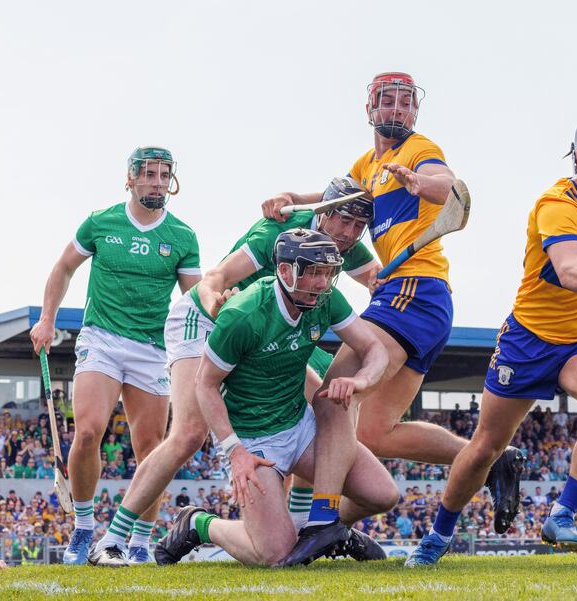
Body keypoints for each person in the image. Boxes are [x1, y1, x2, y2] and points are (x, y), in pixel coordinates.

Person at [261, 72, 523, 555]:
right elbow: (336, 199)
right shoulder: (367, 162)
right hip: (417, 298)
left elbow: (448, 187)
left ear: (415, 112)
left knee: (331, 398)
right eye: (388, 102)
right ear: (370, 109)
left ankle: (322, 521)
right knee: (373, 432)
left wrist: (420, 183)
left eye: (405, 103)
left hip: (413, 291)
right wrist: (292, 200)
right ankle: (493, 459)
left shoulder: (419, 149)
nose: (397, 110)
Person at [404, 118, 577, 566]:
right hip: (529, 339)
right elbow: (569, 270)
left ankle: (561, 514)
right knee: (486, 446)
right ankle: (438, 535)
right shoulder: (557, 205)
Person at [88, 178, 380, 566]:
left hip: (274, 327)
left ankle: (311, 529)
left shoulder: (342, 244)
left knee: (326, 402)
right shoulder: (274, 233)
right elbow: (215, 280)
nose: (349, 233)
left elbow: (378, 279)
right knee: (190, 433)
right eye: (343, 220)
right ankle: (112, 538)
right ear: (323, 212)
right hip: (212, 319)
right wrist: (216, 307)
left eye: (359, 226)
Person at [153, 229, 397, 567]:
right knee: (275, 555)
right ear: (285, 271)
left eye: (328, 273)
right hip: (255, 442)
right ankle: (198, 524)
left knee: (383, 494)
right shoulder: (244, 315)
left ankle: (330, 529)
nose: (323, 283)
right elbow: (204, 385)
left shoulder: (324, 300)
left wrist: (360, 381)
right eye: (313, 272)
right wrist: (234, 451)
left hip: (300, 425)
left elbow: (373, 348)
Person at [28, 147, 201, 564]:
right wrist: (47, 320)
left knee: (151, 450)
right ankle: (84, 530)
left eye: (164, 175)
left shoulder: (181, 236)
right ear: (131, 179)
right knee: (88, 432)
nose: (158, 183)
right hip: (101, 339)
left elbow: (194, 300)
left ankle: (139, 541)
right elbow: (63, 267)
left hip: (152, 349)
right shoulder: (101, 222)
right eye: (150, 175)